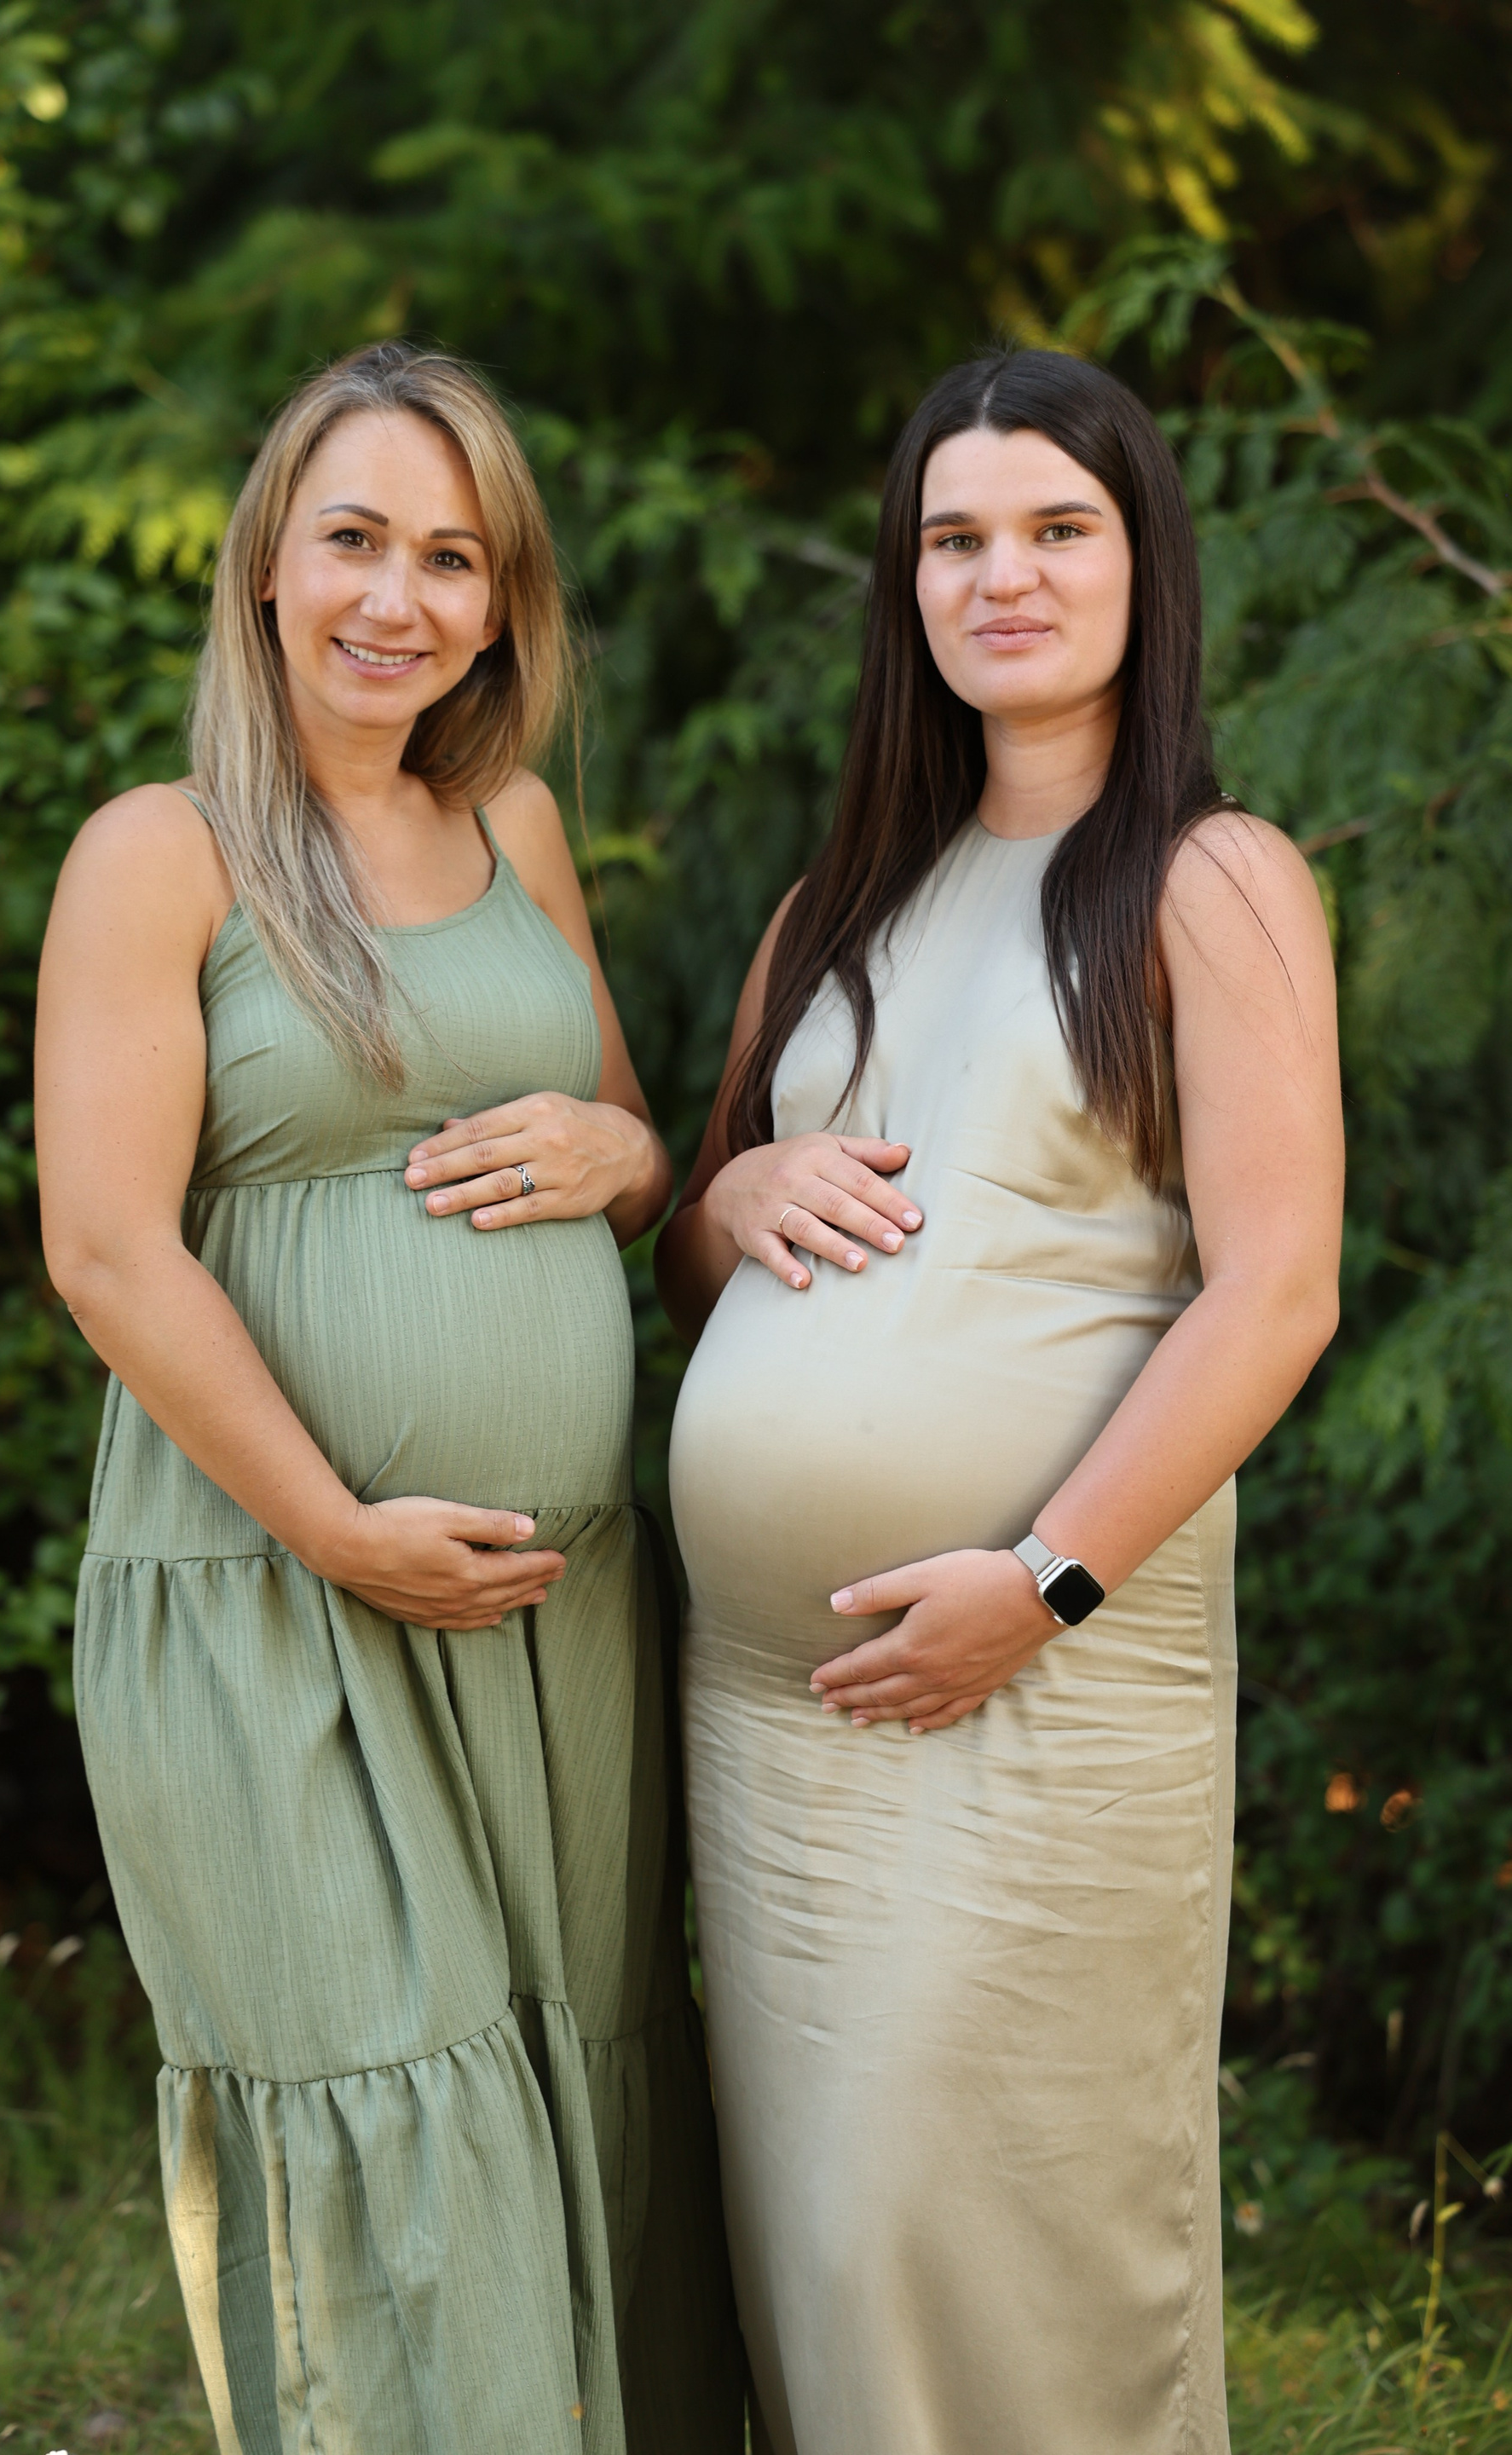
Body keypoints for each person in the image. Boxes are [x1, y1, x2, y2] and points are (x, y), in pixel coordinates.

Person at [36, 341, 742, 2455]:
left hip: (553, 1609)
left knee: (575, 2084)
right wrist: (339, 1528)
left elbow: (632, 1146)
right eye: (354, 539)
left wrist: (625, 1152)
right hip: (272, 1591)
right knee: (392, 2113)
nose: (397, 598)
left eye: (454, 558)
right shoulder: (160, 853)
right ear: (266, 562)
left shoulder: (512, 822)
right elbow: (107, 1248)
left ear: (501, 604)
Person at [656, 348, 1342, 2455]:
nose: (1002, 576)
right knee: (824, 2255)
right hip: (771, 1723)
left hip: (1039, 1678)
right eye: (954, 539)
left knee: (1001, 2239)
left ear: (1146, 566)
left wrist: (1041, 1581)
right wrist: (731, 1192)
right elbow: (700, 1242)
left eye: (1058, 527)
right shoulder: (838, 905)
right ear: (907, 588)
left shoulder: (1214, 879)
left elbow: (1277, 1293)